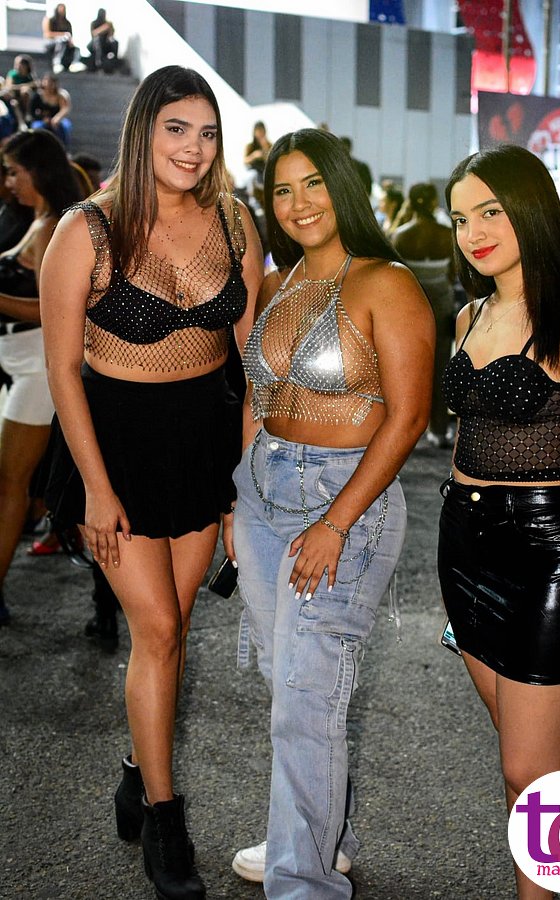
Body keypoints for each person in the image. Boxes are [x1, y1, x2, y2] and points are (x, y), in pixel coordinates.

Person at [39, 65, 263, 899]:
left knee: (176, 626)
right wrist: (96, 490)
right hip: (117, 449)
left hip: (203, 445)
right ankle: (167, 824)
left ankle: (138, 770)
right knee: (160, 628)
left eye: (207, 133)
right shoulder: (86, 230)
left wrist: (242, 484)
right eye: (177, 129)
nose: (193, 149)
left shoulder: (234, 222)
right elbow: (62, 371)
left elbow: (250, 366)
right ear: (144, 131)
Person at [230, 128, 434, 897]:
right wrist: (239, 496)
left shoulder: (387, 283)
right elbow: (257, 396)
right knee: (292, 690)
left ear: (342, 186)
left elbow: (408, 418)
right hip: (263, 494)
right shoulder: (276, 284)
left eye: (313, 183)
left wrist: (337, 522)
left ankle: (302, 880)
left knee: (306, 696)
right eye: (282, 190)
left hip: (345, 499)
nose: (299, 203)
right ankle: (317, 839)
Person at [438, 144, 560, 899]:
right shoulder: (470, 315)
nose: (474, 232)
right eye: (461, 218)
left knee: (528, 766)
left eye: (491, 211)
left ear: (530, 211)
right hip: (463, 547)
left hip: (548, 551)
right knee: (530, 767)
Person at [0, 130, 82, 627]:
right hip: (19, 362)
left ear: (38, 171)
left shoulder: (52, 227)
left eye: (15, 171)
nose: (9, 181)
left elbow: (56, 311)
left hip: (36, 363)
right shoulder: (39, 221)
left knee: (10, 482)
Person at [392, 182, 455, 446]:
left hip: (411, 303)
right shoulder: (447, 234)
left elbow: (395, 276)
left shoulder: (400, 235)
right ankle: (438, 430)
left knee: (408, 367)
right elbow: (453, 273)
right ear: (432, 202)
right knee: (441, 365)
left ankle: (406, 428)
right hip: (441, 300)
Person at [29, 73, 72, 147]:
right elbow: (31, 111)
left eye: (51, 83)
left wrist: (57, 118)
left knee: (65, 127)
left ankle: (63, 148)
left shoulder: (61, 95)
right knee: (36, 128)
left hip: (58, 119)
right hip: (42, 119)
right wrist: (42, 118)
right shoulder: (38, 96)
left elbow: (65, 109)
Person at [42, 4, 76, 73]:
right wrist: (62, 34)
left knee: (73, 48)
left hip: (65, 43)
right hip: (51, 42)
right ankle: (57, 62)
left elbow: (70, 36)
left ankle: (71, 64)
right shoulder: (50, 20)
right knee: (60, 41)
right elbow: (47, 34)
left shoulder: (67, 23)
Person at [87, 8, 119, 74]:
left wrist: (109, 29)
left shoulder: (108, 24)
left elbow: (111, 34)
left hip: (106, 43)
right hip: (95, 44)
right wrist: (104, 28)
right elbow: (94, 34)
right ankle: (98, 62)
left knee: (115, 43)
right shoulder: (94, 23)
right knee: (98, 40)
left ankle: (114, 63)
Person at [243, 120, 271, 193]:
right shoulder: (250, 146)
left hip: (265, 171)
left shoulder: (269, 145)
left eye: (262, 131)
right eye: (258, 131)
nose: (260, 134)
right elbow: (245, 161)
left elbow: (271, 159)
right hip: (254, 171)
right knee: (252, 176)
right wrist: (254, 156)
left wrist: (265, 148)